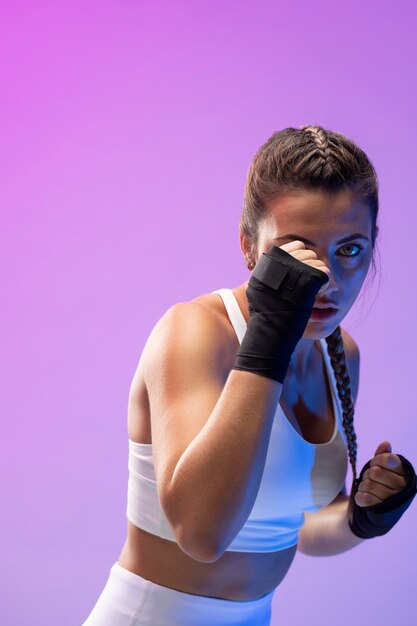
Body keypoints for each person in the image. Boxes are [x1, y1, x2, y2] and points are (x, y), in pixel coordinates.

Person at [81, 125, 416, 626]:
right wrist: (271, 336)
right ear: (248, 247)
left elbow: (295, 530)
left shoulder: (341, 352)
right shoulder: (195, 331)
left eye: (350, 250)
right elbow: (201, 534)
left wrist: (362, 518)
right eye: (298, 250)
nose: (325, 277)